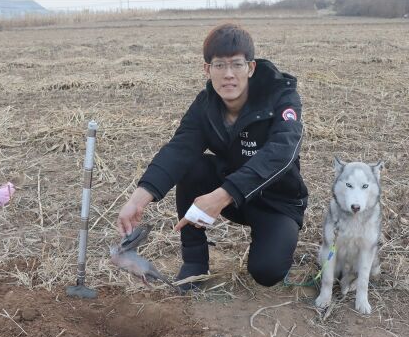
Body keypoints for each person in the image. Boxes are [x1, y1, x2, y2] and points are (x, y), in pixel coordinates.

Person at [116, 23, 308, 291]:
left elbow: (282, 152)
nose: (228, 75)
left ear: (250, 68)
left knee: (267, 272)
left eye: (236, 65)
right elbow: (179, 149)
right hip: (231, 194)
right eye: (219, 65)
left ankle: (271, 240)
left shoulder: (281, 97)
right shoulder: (205, 106)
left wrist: (222, 195)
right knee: (191, 167)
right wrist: (139, 198)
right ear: (207, 69)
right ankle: (195, 262)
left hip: (276, 202)